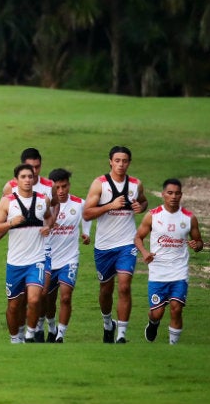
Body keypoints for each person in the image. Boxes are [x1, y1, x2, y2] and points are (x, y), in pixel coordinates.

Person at [83, 145, 147, 343]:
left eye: (125, 161)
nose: (121, 164)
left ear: (129, 162)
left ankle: (121, 335)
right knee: (106, 289)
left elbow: (144, 202)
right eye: (117, 161)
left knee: (125, 286)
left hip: (127, 243)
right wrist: (110, 205)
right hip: (104, 246)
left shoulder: (136, 184)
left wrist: (140, 206)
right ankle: (107, 322)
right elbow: (86, 213)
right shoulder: (99, 184)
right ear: (110, 161)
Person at [0, 163, 52, 343]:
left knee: (34, 299)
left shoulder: (42, 200)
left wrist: (48, 227)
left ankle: (30, 335)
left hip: (37, 259)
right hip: (15, 262)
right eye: (23, 177)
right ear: (16, 180)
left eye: (30, 177)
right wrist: (10, 223)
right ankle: (14, 338)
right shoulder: (8, 201)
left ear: (34, 179)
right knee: (14, 305)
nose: (27, 180)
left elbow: (49, 216)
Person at [135, 179, 203, 344]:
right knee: (157, 313)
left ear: (181, 195)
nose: (173, 196)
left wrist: (197, 245)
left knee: (176, 308)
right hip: (158, 271)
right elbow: (137, 237)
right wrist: (144, 252)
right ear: (163, 194)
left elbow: (199, 242)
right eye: (170, 193)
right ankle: (153, 323)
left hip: (179, 270)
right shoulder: (152, 215)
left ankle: (173, 347)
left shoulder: (189, 218)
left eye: (177, 193)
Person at [41, 168, 91, 342]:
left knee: (66, 296)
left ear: (69, 185)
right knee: (48, 300)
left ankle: (60, 335)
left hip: (69, 259)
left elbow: (86, 217)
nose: (61, 191)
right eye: (57, 188)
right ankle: (52, 327)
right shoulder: (43, 204)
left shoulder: (79, 203)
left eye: (64, 186)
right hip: (48, 258)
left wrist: (86, 233)